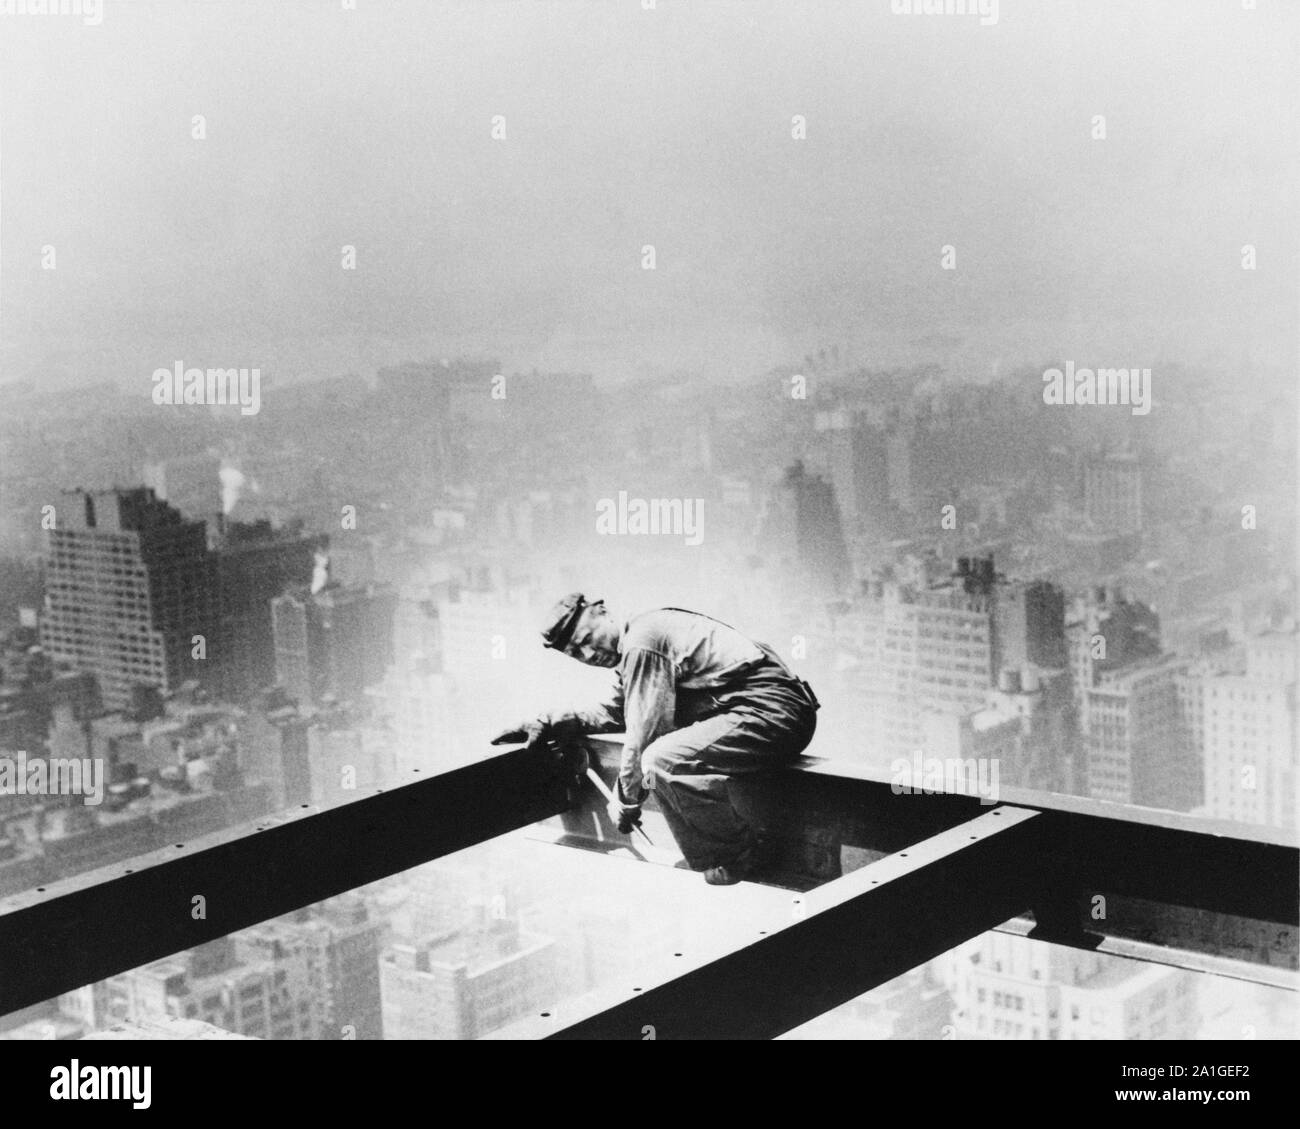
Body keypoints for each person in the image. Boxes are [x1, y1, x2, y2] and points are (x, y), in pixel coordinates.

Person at [491, 593, 819, 885]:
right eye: (576, 652)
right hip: (766, 713)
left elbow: (646, 733)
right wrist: (545, 722)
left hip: (774, 713)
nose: (589, 653)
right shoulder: (638, 644)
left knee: (662, 760)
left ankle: (740, 853)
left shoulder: (643, 641)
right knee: (661, 758)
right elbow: (618, 713)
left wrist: (626, 799)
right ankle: (729, 851)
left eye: (588, 638)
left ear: (604, 611)